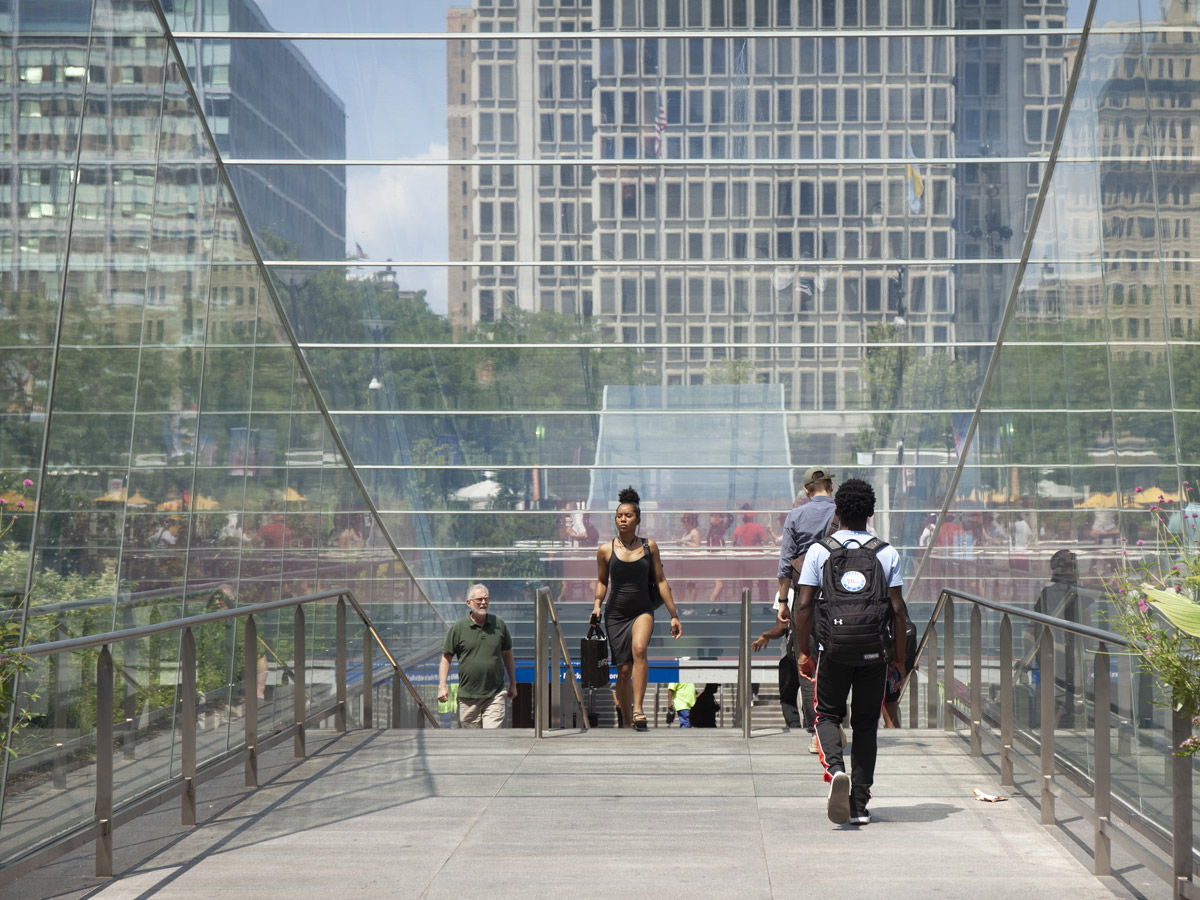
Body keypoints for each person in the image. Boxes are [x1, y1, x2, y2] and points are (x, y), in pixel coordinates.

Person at [793, 478, 907, 826]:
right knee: (866, 726)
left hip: (834, 648)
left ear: (837, 511)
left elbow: (804, 606)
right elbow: (899, 611)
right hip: (874, 652)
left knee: (826, 715)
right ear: (871, 513)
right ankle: (859, 803)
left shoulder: (819, 551)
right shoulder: (886, 552)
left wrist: (803, 651)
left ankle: (836, 771)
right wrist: (899, 659)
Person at [591, 486, 682, 731]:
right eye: (619, 516)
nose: (623, 519)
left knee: (639, 650)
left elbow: (661, 581)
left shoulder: (649, 546)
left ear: (637, 519)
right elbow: (601, 582)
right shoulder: (605, 550)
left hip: (642, 610)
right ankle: (626, 716)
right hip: (616, 614)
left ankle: (639, 709)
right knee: (623, 669)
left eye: (628, 515)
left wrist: (674, 615)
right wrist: (597, 605)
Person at [775, 467, 837, 750]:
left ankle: (817, 729)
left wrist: (783, 602)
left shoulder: (796, 515)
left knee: (807, 661)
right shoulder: (843, 513)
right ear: (831, 486)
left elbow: (786, 563)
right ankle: (834, 722)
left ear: (807, 490)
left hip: (806, 598)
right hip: (841, 597)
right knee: (837, 661)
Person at [438, 584, 517, 728]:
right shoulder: (458, 628)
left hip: (495, 693)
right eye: (479, 599)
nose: (483, 603)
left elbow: (507, 654)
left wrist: (513, 683)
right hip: (468, 696)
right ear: (469, 603)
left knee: (490, 736)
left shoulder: (498, 624)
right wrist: (442, 686)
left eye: (486, 599)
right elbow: (446, 658)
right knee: (473, 741)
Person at [1034, 549, 1080, 728]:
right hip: (1066, 648)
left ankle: (1054, 720)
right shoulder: (1076, 592)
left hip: (1053, 648)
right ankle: (1060, 718)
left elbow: (1036, 624)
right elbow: (1086, 622)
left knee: (1055, 685)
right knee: (1067, 685)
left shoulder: (1047, 593)